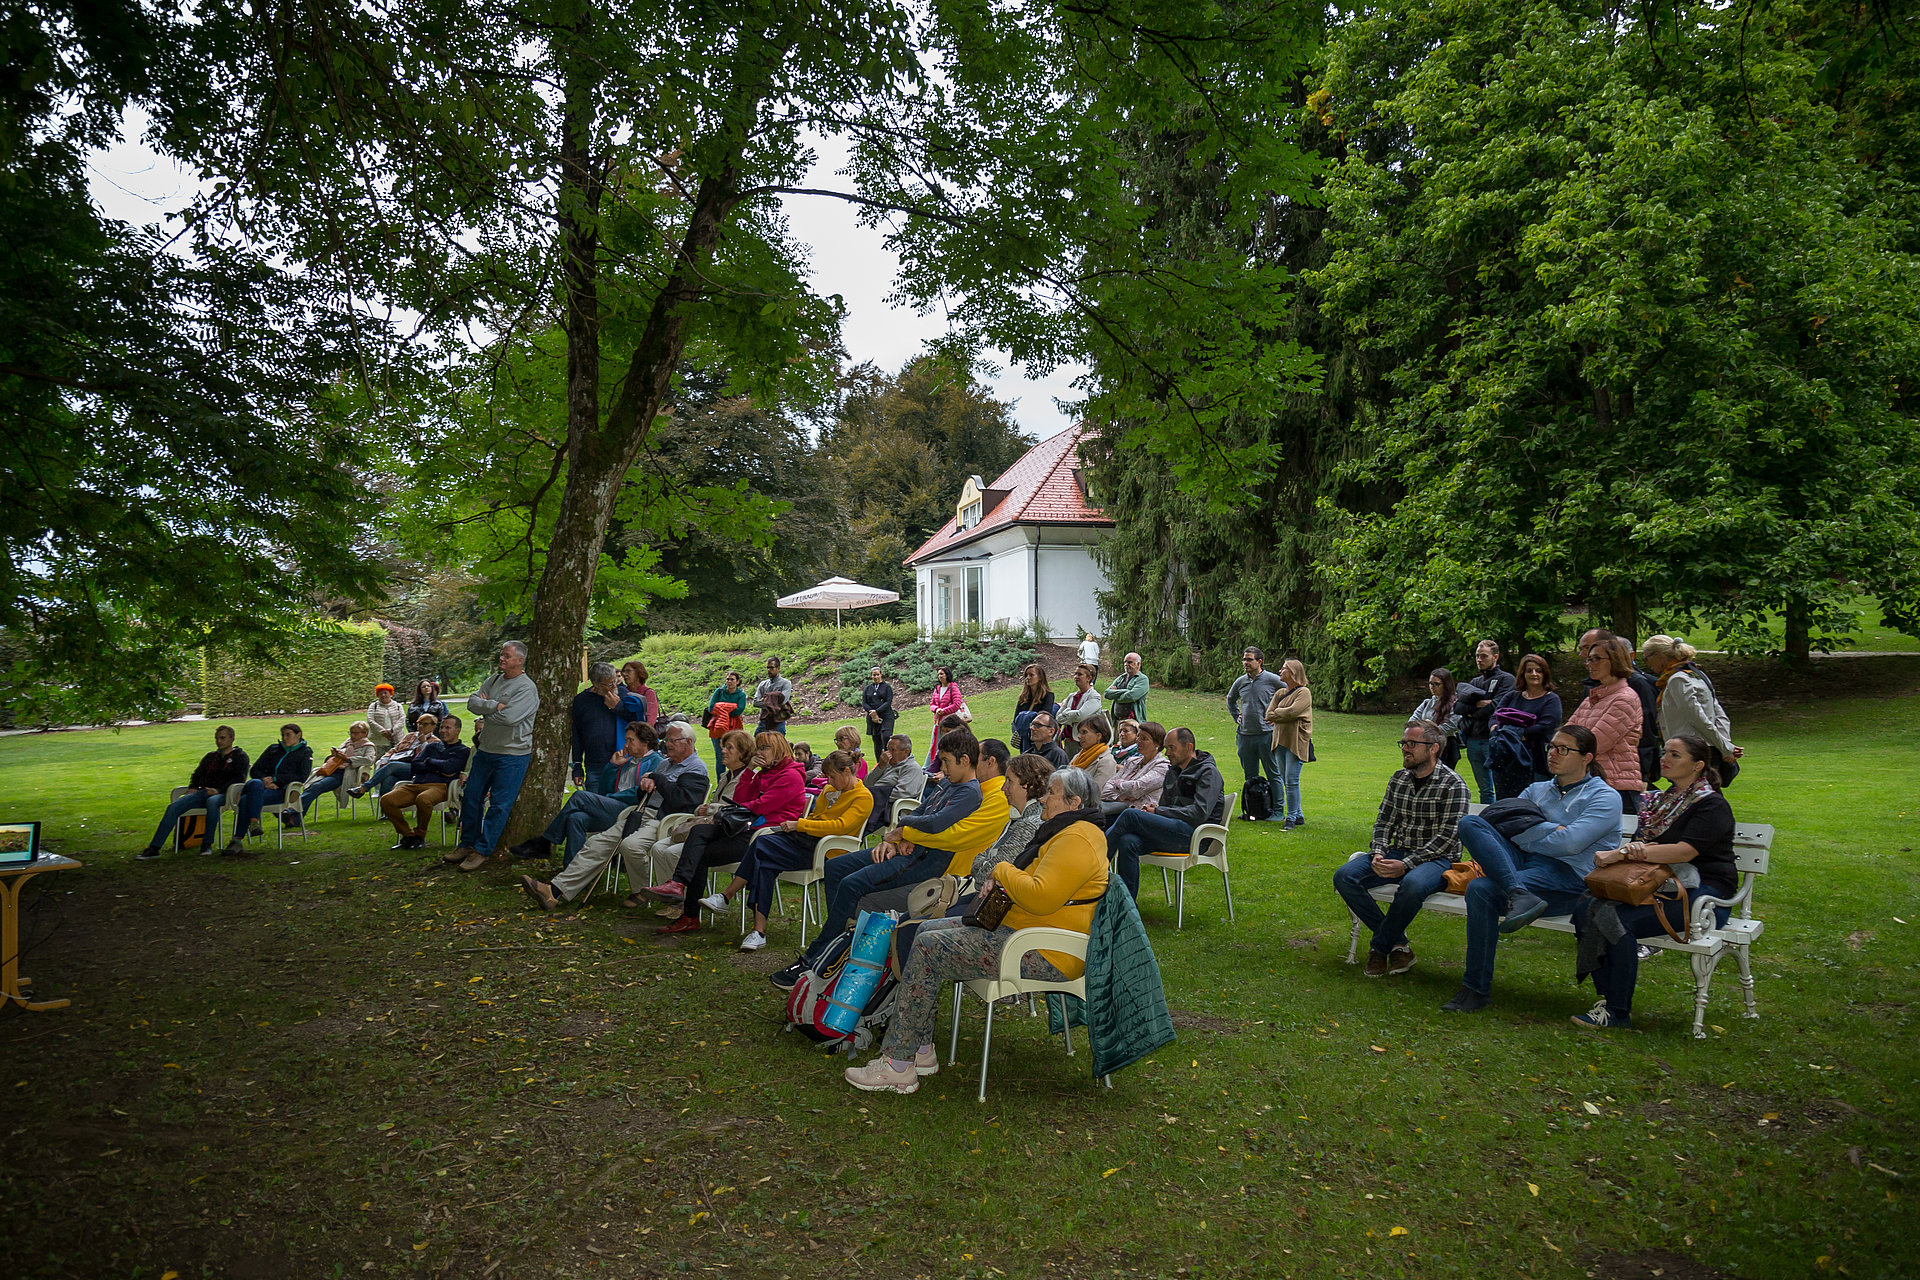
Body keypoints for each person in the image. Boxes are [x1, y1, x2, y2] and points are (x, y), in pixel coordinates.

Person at [845, 765, 1109, 1094]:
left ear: (1074, 802)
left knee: (929, 947)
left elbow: (1040, 897)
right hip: (1022, 935)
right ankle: (920, 1050)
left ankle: (898, 1063)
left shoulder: (1078, 838)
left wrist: (1001, 870)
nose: (1042, 798)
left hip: (1042, 951)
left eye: (1050, 793)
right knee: (924, 931)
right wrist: (1006, 874)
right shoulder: (1068, 832)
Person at [769, 728, 990, 988]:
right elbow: (921, 810)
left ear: (965, 760)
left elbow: (934, 823)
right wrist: (899, 835)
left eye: (946, 761)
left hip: (923, 861)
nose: (941, 766)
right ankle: (841, 937)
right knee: (836, 866)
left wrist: (904, 827)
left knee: (852, 884)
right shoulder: (949, 784)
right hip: (909, 849)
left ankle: (818, 956)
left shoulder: (969, 792)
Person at [1440, 724, 1621, 1013]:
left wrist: (1530, 832)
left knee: (1480, 889)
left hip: (1568, 878)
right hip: (1524, 866)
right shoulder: (1537, 790)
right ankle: (1517, 891)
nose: (1553, 754)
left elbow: (1570, 845)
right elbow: (1501, 824)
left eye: (1563, 749)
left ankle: (1475, 989)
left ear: (1586, 757)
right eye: (1552, 747)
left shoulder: (1604, 797)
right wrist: (1551, 830)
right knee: (1470, 823)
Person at [1571, 733, 1739, 1029]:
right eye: (1665, 752)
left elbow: (1684, 851)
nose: (1665, 759)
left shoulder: (1711, 805)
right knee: (1586, 910)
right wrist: (1630, 853)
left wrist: (1622, 853)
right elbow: (1644, 846)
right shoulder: (1658, 803)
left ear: (1698, 765)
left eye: (1675, 755)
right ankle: (1607, 996)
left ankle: (1617, 1011)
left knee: (1616, 919)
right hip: (1652, 883)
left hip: (1702, 896)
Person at [517, 722, 710, 909]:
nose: (667, 744)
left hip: (666, 820)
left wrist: (656, 779)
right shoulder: (666, 765)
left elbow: (683, 801)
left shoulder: (695, 768)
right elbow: (643, 794)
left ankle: (641, 892)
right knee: (596, 843)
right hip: (642, 813)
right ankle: (554, 891)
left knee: (630, 845)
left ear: (688, 742)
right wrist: (646, 786)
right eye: (666, 740)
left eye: (672, 740)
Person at [1331, 720, 1470, 976]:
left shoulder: (1453, 785)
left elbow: (1448, 838)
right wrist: (1380, 851)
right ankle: (1399, 944)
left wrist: (1405, 865)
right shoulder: (1398, 779)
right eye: (1404, 743)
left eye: (1412, 744)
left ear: (1433, 749)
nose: (1405, 748)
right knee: (1344, 876)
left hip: (1438, 860)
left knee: (1413, 886)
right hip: (1398, 852)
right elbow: (1384, 820)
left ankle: (1380, 948)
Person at [698, 749, 873, 950]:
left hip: (828, 852)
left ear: (848, 772)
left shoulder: (863, 797)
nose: (830, 782)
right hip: (808, 842)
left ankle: (728, 898)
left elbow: (840, 826)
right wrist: (804, 825)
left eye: (833, 777)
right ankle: (757, 931)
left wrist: (799, 825)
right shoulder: (830, 790)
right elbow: (818, 817)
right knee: (764, 860)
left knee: (762, 847)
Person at [651, 733, 808, 934]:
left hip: (764, 836)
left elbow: (761, 806)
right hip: (747, 827)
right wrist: (750, 770)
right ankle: (678, 885)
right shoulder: (764, 773)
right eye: (758, 748)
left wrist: (731, 810)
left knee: (700, 855)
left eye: (764, 748)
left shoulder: (790, 775)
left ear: (778, 749)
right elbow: (743, 798)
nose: (758, 752)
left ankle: (689, 915)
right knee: (699, 831)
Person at [622, 729, 750, 904]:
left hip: (724, 834)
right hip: (706, 827)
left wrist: (710, 808)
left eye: (730, 747)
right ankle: (668, 898)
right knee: (659, 848)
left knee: (673, 852)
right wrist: (702, 809)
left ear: (744, 753)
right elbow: (704, 807)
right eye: (723, 747)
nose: (723, 751)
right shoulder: (725, 776)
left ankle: (683, 905)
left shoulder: (748, 779)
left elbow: (740, 810)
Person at [507, 721, 662, 864]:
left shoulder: (656, 761)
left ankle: (545, 842)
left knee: (580, 796)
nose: (626, 745)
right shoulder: (626, 761)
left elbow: (640, 791)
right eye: (626, 740)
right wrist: (612, 766)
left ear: (645, 742)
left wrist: (611, 797)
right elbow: (604, 791)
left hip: (633, 812)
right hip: (613, 810)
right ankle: (570, 873)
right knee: (576, 818)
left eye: (631, 740)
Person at [1104, 723, 1225, 896]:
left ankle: (1094, 868)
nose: (1167, 753)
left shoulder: (1208, 773)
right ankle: (1127, 904)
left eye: (1171, 748)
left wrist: (1159, 812)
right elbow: (1166, 807)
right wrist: (1155, 809)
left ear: (1189, 747)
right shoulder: (1173, 771)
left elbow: (1199, 813)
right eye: (1167, 747)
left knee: (1131, 815)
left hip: (1196, 836)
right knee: (1127, 841)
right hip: (1172, 830)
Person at [453, 639, 541, 872]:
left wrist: (487, 710)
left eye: (507, 656)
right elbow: (472, 703)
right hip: (486, 751)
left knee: (500, 805)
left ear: (520, 660)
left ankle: (482, 850)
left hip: (513, 755)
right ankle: (466, 844)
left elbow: (510, 718)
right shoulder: (492, 680)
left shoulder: (526, 688)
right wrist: (496, 706)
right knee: (471, 797)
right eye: (501, 655)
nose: (501, 659)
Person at [136, 725, 249, 860]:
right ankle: (154, 848)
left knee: (212, 802)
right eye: (217, 738)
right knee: (174, 807)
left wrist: (218, 790)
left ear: (232, 738)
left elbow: (238, 778)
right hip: (204, 792)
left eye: (222, 738)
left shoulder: (240, 757)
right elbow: (198, 774)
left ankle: (206, 844)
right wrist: (193, 787)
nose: (219, 741)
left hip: (226, 794)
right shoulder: (210, 757)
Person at [1568, 633, 1645, 813]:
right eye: (1589, 660)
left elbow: (1595, 743)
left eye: (1596, 659)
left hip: (1617, 786)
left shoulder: (1624, 698)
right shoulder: (1593, 698)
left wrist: (1570, 744)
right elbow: (1564, 736)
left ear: (1615, 660)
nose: (1589, 664)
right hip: (1592, 782)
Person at [1640, 636, 1741, 771]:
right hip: (1702, 748)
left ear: (1658, 655)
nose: (1647, 663)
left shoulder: (1677, 680)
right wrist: (1725, 744)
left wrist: (1725, 748)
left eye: (1646, 658)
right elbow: (1718, 713)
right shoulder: (1697, 674)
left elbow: (1697, 717)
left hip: (1689, 752)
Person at [1580, 628, 1659, 789]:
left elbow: (1647, 732)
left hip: (1617, 781)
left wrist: (1644, 772)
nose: (1586, 658)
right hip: (1592, 776)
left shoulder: (1631, 690)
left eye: (1595, 656)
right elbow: (1571, 732)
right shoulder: (1594, 690)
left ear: (1614, 658)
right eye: (1588, 656)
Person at [384, 716, 471, 850]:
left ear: (457, 730)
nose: (443, 731)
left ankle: (420, 836)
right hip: (416, 785)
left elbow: (449, 767)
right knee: (387, 800)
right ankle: (408, 835)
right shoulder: (432, 747)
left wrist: (429, 761)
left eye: (448, 727)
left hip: (439, 787)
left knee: (423, 799)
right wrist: (438, 767)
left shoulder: (463, 751)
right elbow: (415, 765)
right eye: (442, 727)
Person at [227, 723, 313, 852]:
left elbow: (301, 776)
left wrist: (275, 779)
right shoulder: (273, 749)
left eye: (288, 735)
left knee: (245, 800)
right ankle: (253, 823)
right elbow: (255, 769)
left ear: (298, 734)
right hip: (260, 786)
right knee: (255, 783)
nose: (284, 738)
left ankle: (237, 840)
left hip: (279, 791)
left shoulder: (305, 753)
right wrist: (264, 780)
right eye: (283, 735)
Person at [1452, 640, 1515, 803]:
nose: (1479, 659)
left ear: (1496, 657)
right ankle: (1487, 819)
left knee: (1502, 786)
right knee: (1485, 789)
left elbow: (1496, 707)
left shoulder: (1506, 680)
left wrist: (1471, 709)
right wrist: (1477, 707)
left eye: (1484, 656)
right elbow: (1457, 707)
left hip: (1494, 740)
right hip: (1473, 740)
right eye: (1477, 656)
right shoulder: (1474, 682)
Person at [1225, 647, 1284, 819]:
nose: (1245, 663)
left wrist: (1278, 715)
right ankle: (1253, 811)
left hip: (1266, 734)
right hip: (1244, 736)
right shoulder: (1241, 681)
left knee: (1273, 774)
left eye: (1249, 659)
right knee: (1250, 776)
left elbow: (1291, 693)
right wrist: (1236, 716)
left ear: (1259, 661)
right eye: (1244, 659)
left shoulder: (1272, 679)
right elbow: (1230, 699)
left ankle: (1278, 811)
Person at [1497, 654, 1564, 783]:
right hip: (1507, 759)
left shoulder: (1551, 700)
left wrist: (1513, 734)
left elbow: (1545, 726)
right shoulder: (1511, 696)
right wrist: (1496, 728)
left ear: (1545, 674)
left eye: (1538, 671)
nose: (1534, 674)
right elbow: (1496, 717)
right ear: (1523, 674)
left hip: (1537, 759)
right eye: (1529, 671)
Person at [1264, 658, 1313, 829]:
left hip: (1296, 741)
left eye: (1284, 669)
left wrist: (1278, 713)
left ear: (1293, 672)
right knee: (1286, 780)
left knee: (1292, 780)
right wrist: (1282, 715)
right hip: (1279, 741)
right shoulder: (1279, 693)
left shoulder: (1303, 693)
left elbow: (1294, 711)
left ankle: (1290, 818)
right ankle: (1298, 815)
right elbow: (1268, 714)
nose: (1280, 671)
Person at [297, 721, 379, 819]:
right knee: (312, 785)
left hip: (347, 774)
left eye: (356, 733)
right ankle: (295, 816)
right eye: (351, 732)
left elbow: (369, 760)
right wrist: (334, 755)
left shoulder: (369, 746)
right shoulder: (347, 742)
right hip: (332, 770)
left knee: (316, 786)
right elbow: (338, 757)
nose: (352, 735)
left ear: (365, 733)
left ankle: (294, 813)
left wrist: (347, 759)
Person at [570, 662, 627, 794]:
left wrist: (618, 707)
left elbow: (638, 720)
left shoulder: (623, 694)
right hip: (595, 765)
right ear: (596, 684)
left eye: (615, 681)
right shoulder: (582, 700)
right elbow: (577, 734)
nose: (614, 686)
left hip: (622, 763)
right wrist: (577, 765)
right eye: (609, 684)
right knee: (594, 805)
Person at [354, 713, 437, 800]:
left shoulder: (435, 741)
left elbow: (428, 759)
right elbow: (395, 749)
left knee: (392, 765)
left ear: (433, 726)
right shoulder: (410, 736)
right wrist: (385, 758)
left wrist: (423, 743)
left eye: (425, 724)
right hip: (400, 765)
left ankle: (364, 787)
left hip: (416, 769)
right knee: (388, 780)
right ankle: (386, 812)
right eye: (419, 723)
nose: (421, 726)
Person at [1101, 720, 1169, 815]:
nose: (1138, 741)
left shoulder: (1162, 767)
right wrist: (1122, 797)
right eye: (1138, 736)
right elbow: (1105, 789)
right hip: (1118, 808)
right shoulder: (1132, 761)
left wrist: (1117, 785)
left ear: (1157, 744)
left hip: (1140, 813)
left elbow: (1136, 788)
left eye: (1144, 738)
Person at [864, 734, 926, 835]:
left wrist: (873, 795)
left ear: (906, 752)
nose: (888, 753)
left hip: (885, 808)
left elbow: (902, 793)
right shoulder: (887, 764)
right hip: (872, 801)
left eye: (892, 750)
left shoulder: (912, 768)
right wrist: (880, 766)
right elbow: (867, 783)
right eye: (887, 749)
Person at [1408, 668, 1462, 767]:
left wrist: (1426, 729)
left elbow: (1450, 726)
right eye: (1430, 683)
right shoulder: (1427, 703)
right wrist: (1429, 728)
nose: (1432, 687)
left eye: (1437, 684)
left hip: (1446, 747)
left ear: (1446, 685)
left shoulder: (1455, 703)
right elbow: (1412, 721)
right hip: (1425, 745)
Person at [705, 671, 748, 770]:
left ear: (738, 682)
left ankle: (733, 781)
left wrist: (720, 707)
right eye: (728, 679)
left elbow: (738, 711)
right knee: (720, 757)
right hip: (717, 727)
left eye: (732, 679)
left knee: (735, 756)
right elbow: (711, 708)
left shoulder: (741, 695)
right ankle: (721, 783)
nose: (729, 681)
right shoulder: (719, 691)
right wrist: (731, 707)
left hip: (733, 728)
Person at [1067, 712, 1118, 795]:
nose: (1079, 736)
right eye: (1079, 732)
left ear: (1098, 736)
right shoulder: (1078, 756)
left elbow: (1096, 792)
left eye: (1084, 732)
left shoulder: (1106, 761)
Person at [1011, 664, 1057, 752]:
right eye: (1026, 675)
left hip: (1038, 735)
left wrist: (1025, 717)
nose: (1027, 678)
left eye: (1031, 675)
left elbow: (1046, 715)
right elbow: (1016, 718)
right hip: (1024, 736)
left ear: (1040, 677)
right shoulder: (1023, 697)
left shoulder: (1048, 695)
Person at [927, 666, 967, 767]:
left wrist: (943, 711)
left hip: (950, 723)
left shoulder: (953, 688)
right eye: (938, 674)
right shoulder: (937, 689)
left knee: (949, 745)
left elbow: (956, 704)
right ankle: (930, 766)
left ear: (947, 675)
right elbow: (932, 704)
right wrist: (936, 709)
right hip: (938, 722)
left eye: (942, 674)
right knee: (935, 745)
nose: (939, 676)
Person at [860, 666, 896, 760]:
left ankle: (889, 758)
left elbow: (888, 702)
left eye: (877, 674)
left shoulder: (887, 687)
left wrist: (877, 711)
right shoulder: (868, 688)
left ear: (881, 675)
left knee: (886, 736)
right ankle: (879, 763)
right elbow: (864, 703)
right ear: (871, 676)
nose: (876, 677)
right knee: (876, 740)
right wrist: (872, 713)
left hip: (886, 715)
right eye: (874, 675)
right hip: (872, 717)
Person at [1055, 663, 1101, 732]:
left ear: (1089, 678)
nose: (1076, 677)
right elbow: (1058, 717)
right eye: (1075, 674)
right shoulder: (1071, 696)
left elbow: (1081, 716)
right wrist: (1073, 718)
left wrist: (1066, 713)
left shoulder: (1094, 696)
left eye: (1080, 674)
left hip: (1084, 738)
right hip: (1067, 738)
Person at [1105, 652, 1149, 724]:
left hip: (1133, 722)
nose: (1126, 664)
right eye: (1125, 662)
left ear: (1138, 664)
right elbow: (1107, 693)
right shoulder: (1121, 678)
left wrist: (1116, 695)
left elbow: (1131, 696)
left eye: (1130, 662)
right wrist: (1126, 691)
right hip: (1117, 721)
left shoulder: (1142, 679)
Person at [754, 658, 793, 735]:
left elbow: (783, 701)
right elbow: (755, 702)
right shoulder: (763, 684)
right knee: (756, 744)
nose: (769, 670)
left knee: (778, 745)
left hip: (778, 721)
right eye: (767, 667)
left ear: (778, 668)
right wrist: (774, 700)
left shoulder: (785, 683)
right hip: (764, 721)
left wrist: (765, 699)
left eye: (771, 667)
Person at [617, 660, 661, 729]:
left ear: (638, 673)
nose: (625, 674)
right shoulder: (622, 692)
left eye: (628, 671)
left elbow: (650, 718)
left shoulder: (648, 693)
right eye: (623, 672)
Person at [366, 683, 406, 750]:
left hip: (395, 739)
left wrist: (391, 731)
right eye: (380, 693)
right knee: (377, 759)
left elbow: (402, 719)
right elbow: (370, 720)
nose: (383, 695)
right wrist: (382, 731)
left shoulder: (398, 706)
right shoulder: (373, 706)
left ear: (390, 694)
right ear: (377, 695)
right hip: (378, 740)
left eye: (385, 693)